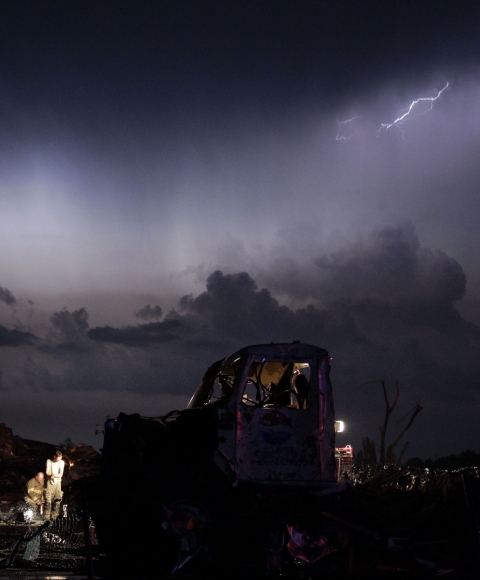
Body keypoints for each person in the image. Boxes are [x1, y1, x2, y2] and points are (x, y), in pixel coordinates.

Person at [45, 450, 65, 521]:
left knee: (57, 499)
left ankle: (54, 518)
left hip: (57, 482)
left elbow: (61, 474)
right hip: (50, 481)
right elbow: (47, 472)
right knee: (48, 500)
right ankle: (46, 518)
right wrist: (51, 475)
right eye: (57, 459)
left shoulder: (62, 462)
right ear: (54, 457)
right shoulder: (49, 461)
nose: (58, 460)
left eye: (60, 459)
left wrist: (55, 476)